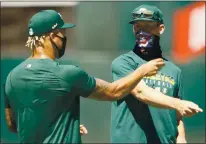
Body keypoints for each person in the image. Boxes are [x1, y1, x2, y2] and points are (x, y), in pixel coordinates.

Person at [4, 9, 166, 143]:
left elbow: (13, 124)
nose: (64, 39)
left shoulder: (12, 77)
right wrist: (142, 71)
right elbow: (113, 92)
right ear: (52, 36)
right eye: (62, 33)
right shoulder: (67, 73)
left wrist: (63, 127)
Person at [110, 4, 202, 144]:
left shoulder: (174, 70)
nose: (141, 32)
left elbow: (177, 116)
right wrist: (178, 104)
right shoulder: (123, 63)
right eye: (137, 26)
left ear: (161, 28)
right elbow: (141, 92)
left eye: (147, 26)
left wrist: (181, 137)